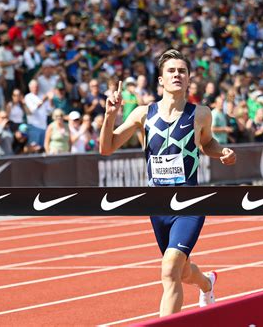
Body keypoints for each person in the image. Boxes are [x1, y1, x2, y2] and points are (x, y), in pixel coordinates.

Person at [99, 49, 236, 317]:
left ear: (188, 79)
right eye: (171, 71)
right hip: (157, 204)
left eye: (182, 71)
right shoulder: (143, 114)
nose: (177, 75)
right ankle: (207, 283)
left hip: (189, 201)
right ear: (161, 80)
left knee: (169, 269)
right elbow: (107, 148)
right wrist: (110, 115)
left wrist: (223, 153)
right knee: (180, 270)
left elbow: (207, 143)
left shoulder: (200, 114)